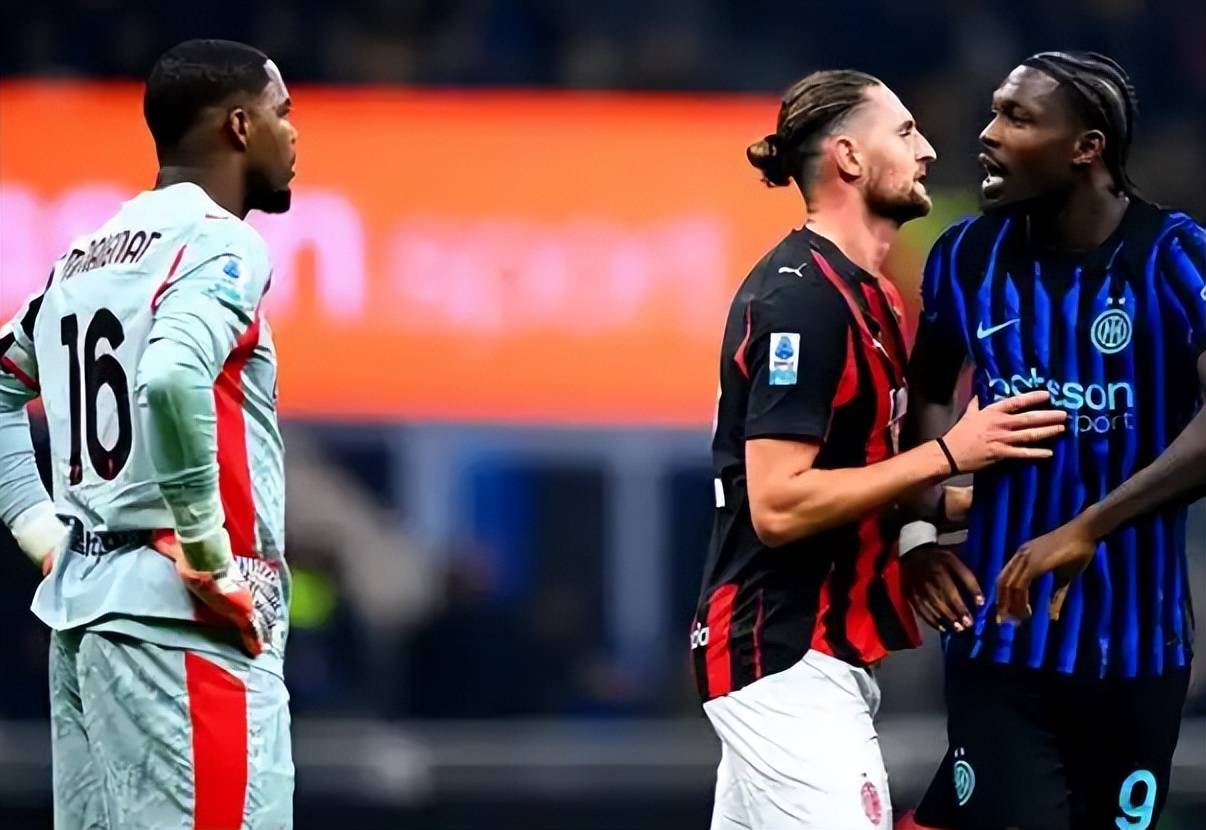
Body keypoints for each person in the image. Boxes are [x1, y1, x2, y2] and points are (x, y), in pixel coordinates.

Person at [691, 69, 1067, 830]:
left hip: (819, 659)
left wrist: (968, 506)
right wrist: (949, 452)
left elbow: (858, 480)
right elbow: (778, 505)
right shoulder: (801, 300)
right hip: (783, 653)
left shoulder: (873, 296)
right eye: (904, 132)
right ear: (849, 158)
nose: (927, 150)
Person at [900, 52, 1206, 830]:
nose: (987, 134)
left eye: (1017, 118)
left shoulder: (1173, 257)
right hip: (997, 650)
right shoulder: (967, 256)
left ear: (1086, 147)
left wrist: (1088, 528)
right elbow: (928, 390)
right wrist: (919, 529)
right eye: (993, 112)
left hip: (1138, 653)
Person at [0, 39, 298, 828]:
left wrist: (39, 531)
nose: (293, 132)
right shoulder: (220, 241)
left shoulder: (83, 257)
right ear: (240, 126)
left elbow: (0, 388)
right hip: (181, 622)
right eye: (282, 112)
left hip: (87, 619)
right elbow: (170, 375)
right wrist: (206, 550)